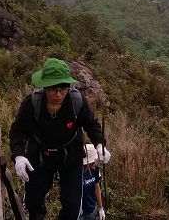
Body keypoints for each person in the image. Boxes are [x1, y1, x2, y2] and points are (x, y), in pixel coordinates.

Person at [10, 58, 110, 220]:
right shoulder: (32, 104)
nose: (58, 94)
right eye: (53, 89)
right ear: (44, 87)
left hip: (70, 154)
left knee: (72, 206)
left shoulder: (76, 101)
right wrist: (19, 156)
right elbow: (18, 131)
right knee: (32, 201)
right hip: (41, 154)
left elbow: (91, 124)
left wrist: (99, 144)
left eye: (63, 88)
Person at [79, 144, 105, 220]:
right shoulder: (78, 172)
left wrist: (100, 208)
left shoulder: (95, 170)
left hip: (91, 210)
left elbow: (97, 188)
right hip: (78, 212)